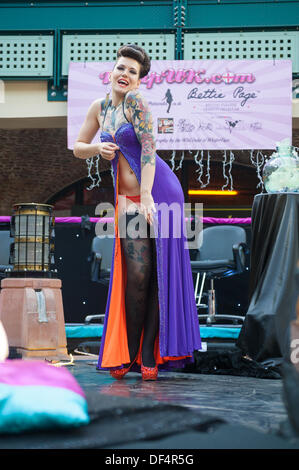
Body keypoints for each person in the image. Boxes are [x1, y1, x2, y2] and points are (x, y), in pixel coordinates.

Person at [73, 44, 201, 380]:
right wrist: (96, 148)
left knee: (160, 273)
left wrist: (146, 197)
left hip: (160, 194)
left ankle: (147, 356)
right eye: (121, 68)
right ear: (111, 72)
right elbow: (77, 147)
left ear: (140, 81)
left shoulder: (137, 103)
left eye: (133, 71)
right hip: (126, 201)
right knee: (138, 276)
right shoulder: (99, 107)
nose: (125, 74)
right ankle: (128, 350)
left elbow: (149, 148)